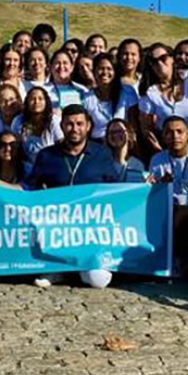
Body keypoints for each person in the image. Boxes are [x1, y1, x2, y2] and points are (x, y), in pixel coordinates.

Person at [27, 104, 120, 288]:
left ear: (88, 126)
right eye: (69, 124)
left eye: (79, 124)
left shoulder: (102, 154)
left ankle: (78, 270)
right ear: (61, 126)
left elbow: (114, 190)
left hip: (91, 230)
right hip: (55, 230)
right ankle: (60, 268)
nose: (75, 129)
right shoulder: (47, 155)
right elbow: (30, 188)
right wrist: (2, 186)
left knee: (98, 281)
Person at [148, 117, 188, 277]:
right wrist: (159, 186)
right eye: (169, 133)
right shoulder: (157, 160)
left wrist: (185, 212)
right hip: (170, 209)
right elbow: (152, 194)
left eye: (179, 132)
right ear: (163, 137)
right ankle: (172, 261)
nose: (175, 136)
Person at [138, 43, 188, 152]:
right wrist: (161, 153)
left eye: (163, 58)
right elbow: (146, 129)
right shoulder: (150, 92)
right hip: (169, 149)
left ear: (172, 59)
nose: (159, 63)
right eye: (154, 61)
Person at [83, 54, 135, 140]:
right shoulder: (87, 98)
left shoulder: (127, 92)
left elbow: (134, 125)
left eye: (109, 69)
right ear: (94, 71)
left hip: (122, 141)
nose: (105, 72)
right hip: (97, 142)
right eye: (100, 69)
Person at [13, 87, 62, 172]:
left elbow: (62, 145)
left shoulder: (54, 121)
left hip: (51, 166)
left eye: (40, 99)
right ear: (27, 102)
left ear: (46, 101)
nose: (36, 102)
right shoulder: (18, 121)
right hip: (27, 166)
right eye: (32, 99)